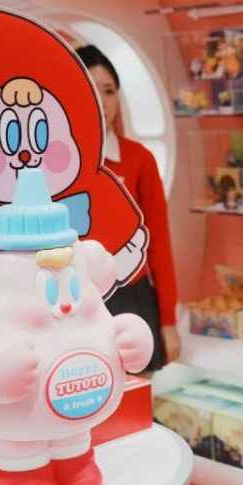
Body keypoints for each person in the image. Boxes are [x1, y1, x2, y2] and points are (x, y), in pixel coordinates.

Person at [76, 45, 181, 370]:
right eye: (91, 88)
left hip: (133, 297)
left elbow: (159, 242)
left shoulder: (139, 159)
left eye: (109, 91)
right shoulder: (56, 163)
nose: (102, 100)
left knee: (139, 397)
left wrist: (168, 321)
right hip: (77, 300)